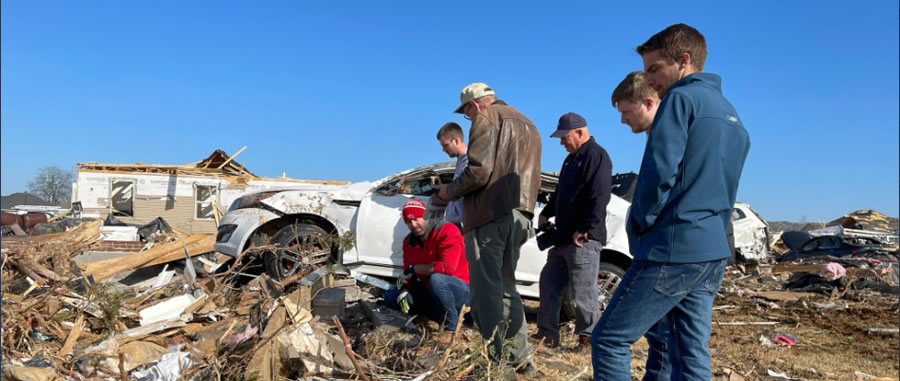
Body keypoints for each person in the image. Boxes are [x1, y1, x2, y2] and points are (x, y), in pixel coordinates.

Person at [591, 23, 751, 380]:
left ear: (683, 61)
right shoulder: (731, 114)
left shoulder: (680, 100)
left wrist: (640, 221)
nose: (649, 81)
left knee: (609, 340)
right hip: (710, 252)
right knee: (686, 352)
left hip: (674, 247)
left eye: (654, 69)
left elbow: (658, 173)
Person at [434, 82, 542, 375]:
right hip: (521, 213)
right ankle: (521, 359)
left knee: (486, 292)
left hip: (490, 215)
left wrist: (450, 192)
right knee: (508, 288)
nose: (468, 118)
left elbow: (479, 171)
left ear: (476, 105)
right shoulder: (528, 122)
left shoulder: (486, 118)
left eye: (467, 113)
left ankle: (497, 364)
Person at [612, 71, 673, 380]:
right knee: (666, 337)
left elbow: (658, 187)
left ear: (648, 102)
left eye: (625, 111)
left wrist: (640, 224)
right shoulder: (659, 132)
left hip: (663, 249)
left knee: (609, 338)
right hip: (669, 246)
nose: (623, 120)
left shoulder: (666, 132)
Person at [534, 112, 611, 350]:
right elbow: (560, 194)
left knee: (583, 291)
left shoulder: (597, 156)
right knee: (548, 282)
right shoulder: (570, 160)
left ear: (580, 132)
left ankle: (588, 340)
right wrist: (547, 212)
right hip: (563, 238)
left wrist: (586, 229)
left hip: (583, 240)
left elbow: (600, 196)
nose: (561, 142)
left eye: (564, 137)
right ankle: (547, 335)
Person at [384, 199, 470, 331]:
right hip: (432, 289)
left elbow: (448, 268)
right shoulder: (409, 242)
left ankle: (451, 326)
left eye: (416, 219)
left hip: (460, 290)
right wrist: (404, 288)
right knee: (391, 296)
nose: (413, 224)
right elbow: (406, 272)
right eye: (408, 222)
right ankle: (437, 316)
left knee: (437, 279)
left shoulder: (447, 231)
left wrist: (416, 269)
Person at [436, 122, 468, 228]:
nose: (443, 150)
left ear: (456, 140)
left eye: (446, 145)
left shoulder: (469, 161)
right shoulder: (461, 161)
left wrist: (448, 190)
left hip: (465, 226)